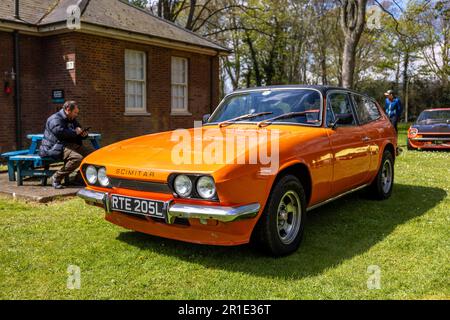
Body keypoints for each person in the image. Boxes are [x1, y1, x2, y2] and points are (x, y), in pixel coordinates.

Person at [39, 101, 91, 189]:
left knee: (92, 156)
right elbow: (61, 133)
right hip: (54, 147)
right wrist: (76, 132)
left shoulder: (72, 119)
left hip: (67, 145)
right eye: (75, 112)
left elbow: (77, 131)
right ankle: (56, 177)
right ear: (68, 110)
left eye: (77, 113)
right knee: (77, 158)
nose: (76, 115)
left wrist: (83, 134)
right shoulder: (54, 119)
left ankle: (78, 178)